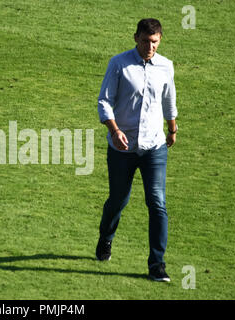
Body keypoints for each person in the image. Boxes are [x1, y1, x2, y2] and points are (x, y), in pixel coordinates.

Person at [96, 18, 178, 282]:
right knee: (119, 200)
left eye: (154, 42)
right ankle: (106, 237)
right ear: (136, 38)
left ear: (160, 40)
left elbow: (169, 99)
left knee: (157, 203)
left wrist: (172, 128)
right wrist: (114, 130)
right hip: (122, 147)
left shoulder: (166, 66)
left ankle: (157, 264)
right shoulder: (119, 64)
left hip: (154, 146)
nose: (149, 47)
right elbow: (104, 101)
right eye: (145, 41)